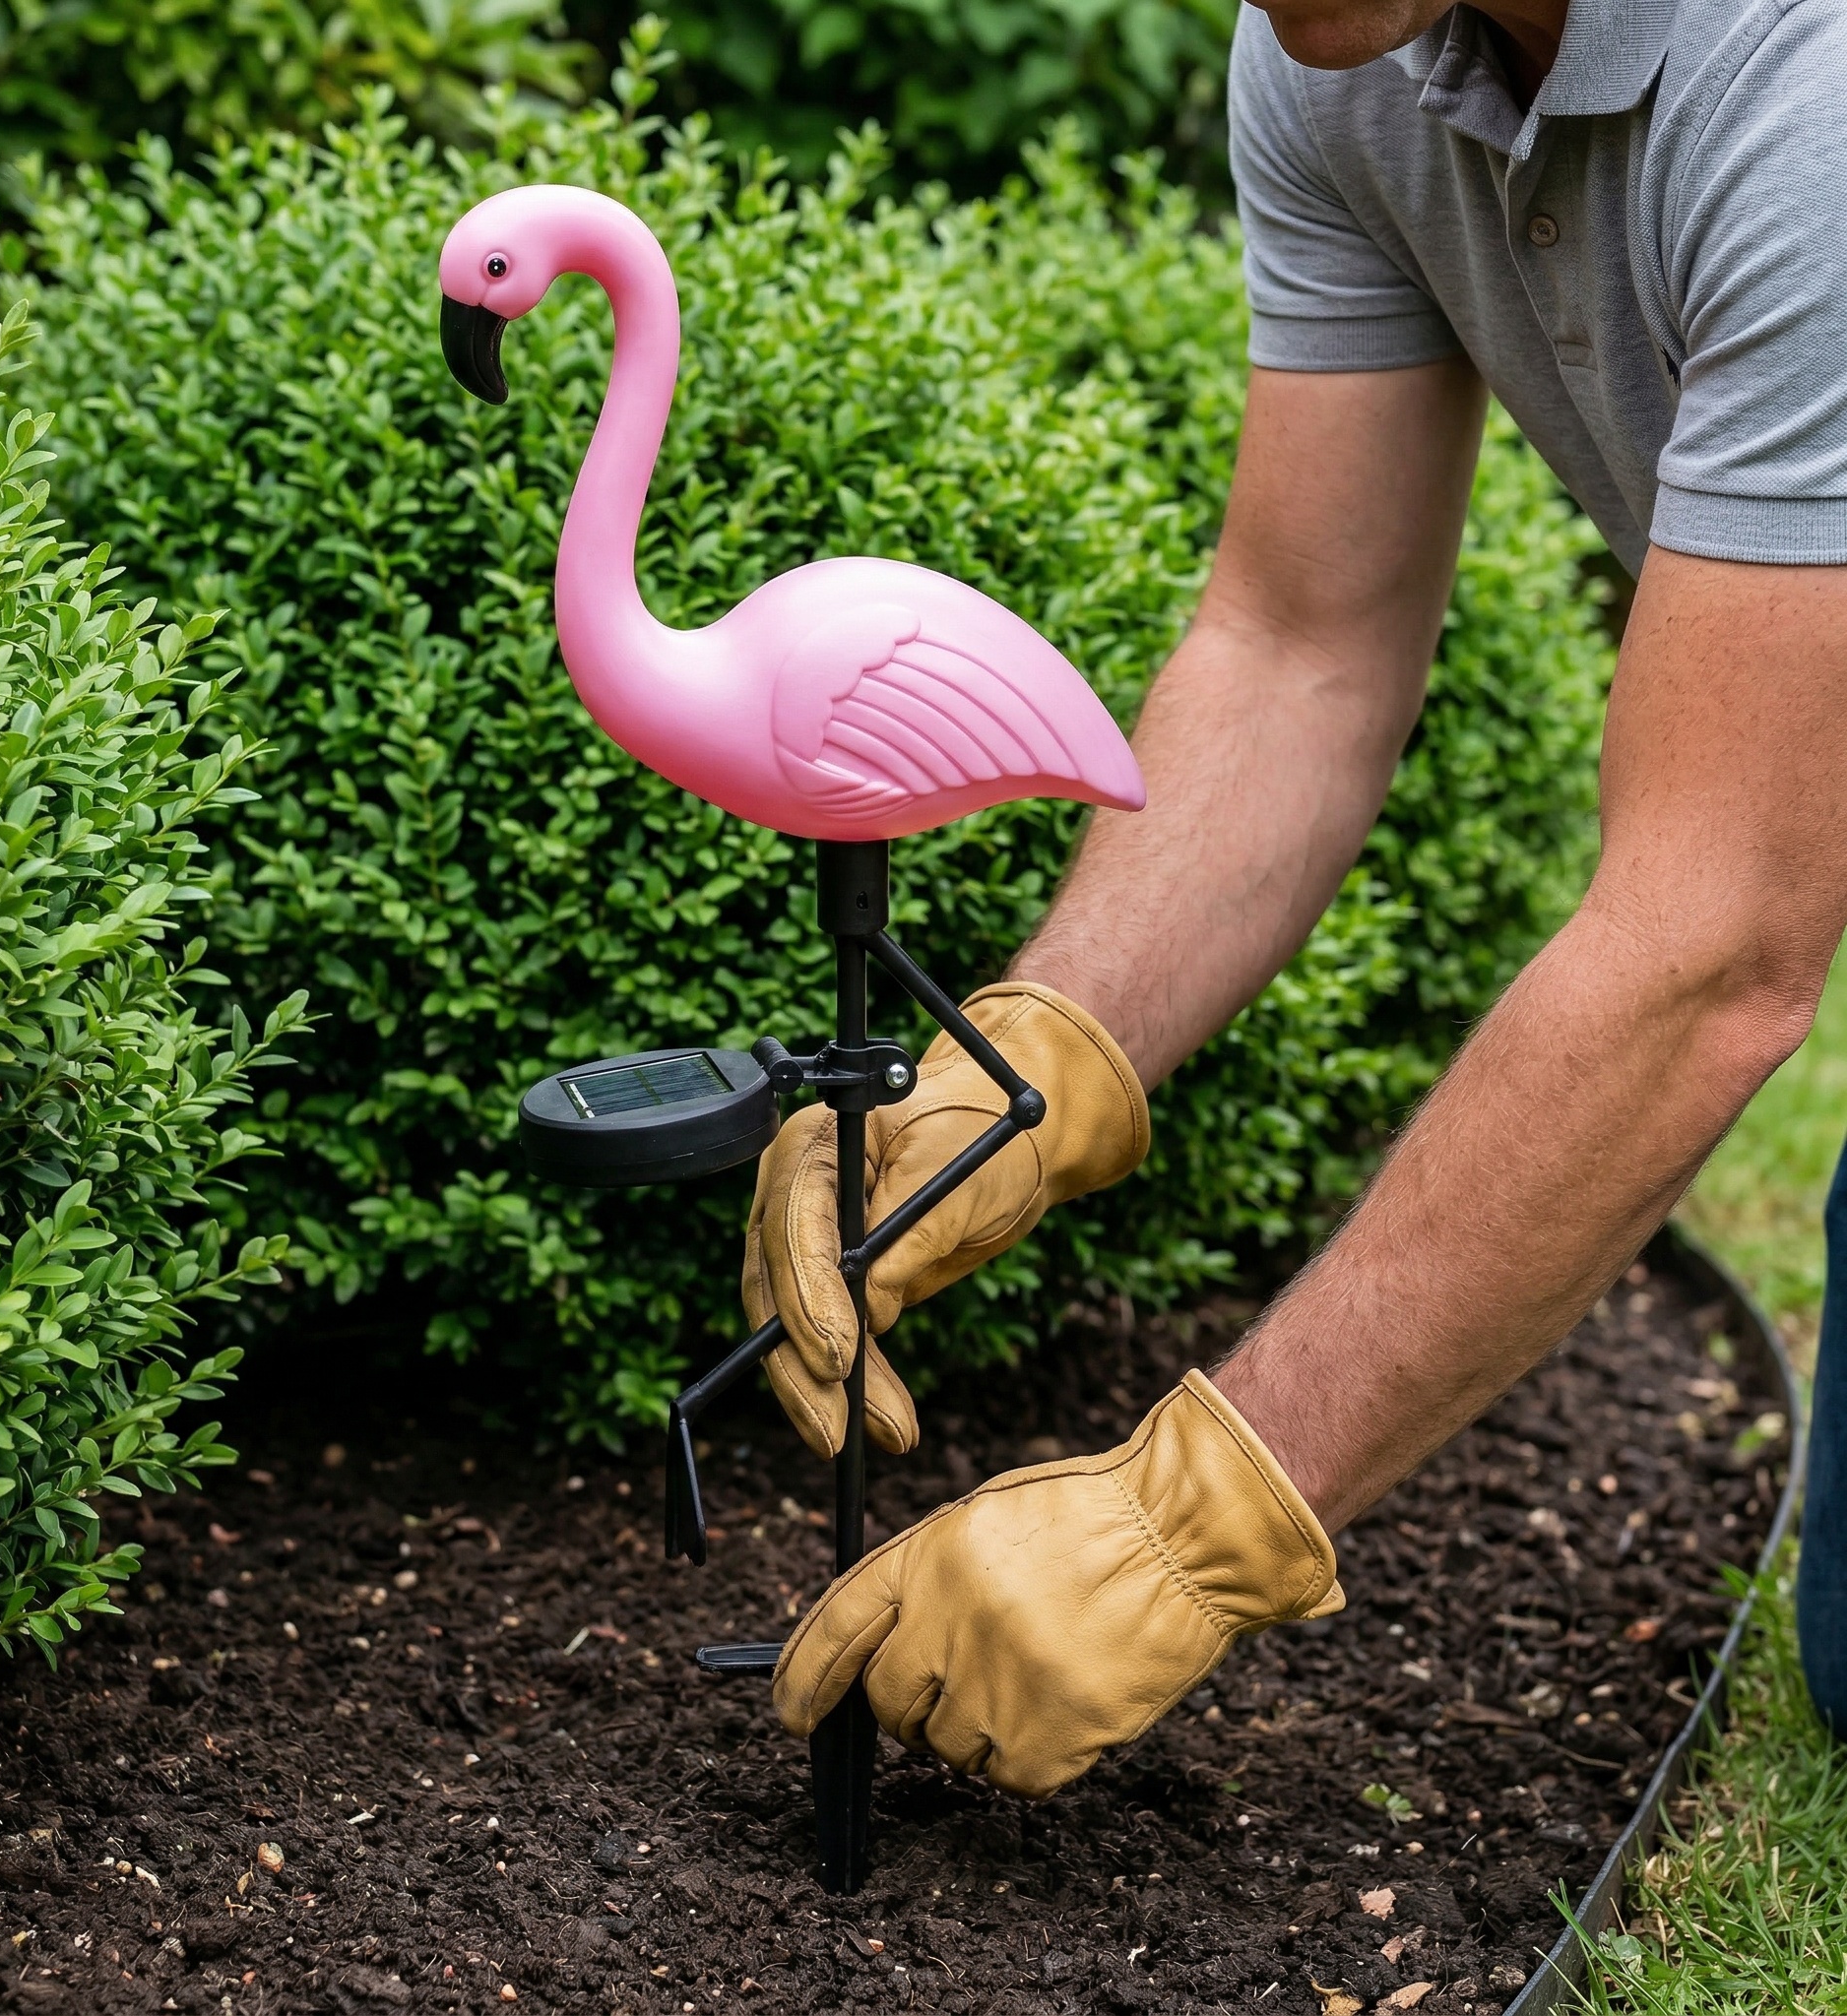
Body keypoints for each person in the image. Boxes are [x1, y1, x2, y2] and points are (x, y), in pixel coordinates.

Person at [740, 0, 1847, 1797]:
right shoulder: (1352, 43)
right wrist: (1027, 1063)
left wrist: (1199, 1512)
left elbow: (1711, 944)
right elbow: (1302, 646)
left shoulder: (1811, 91)